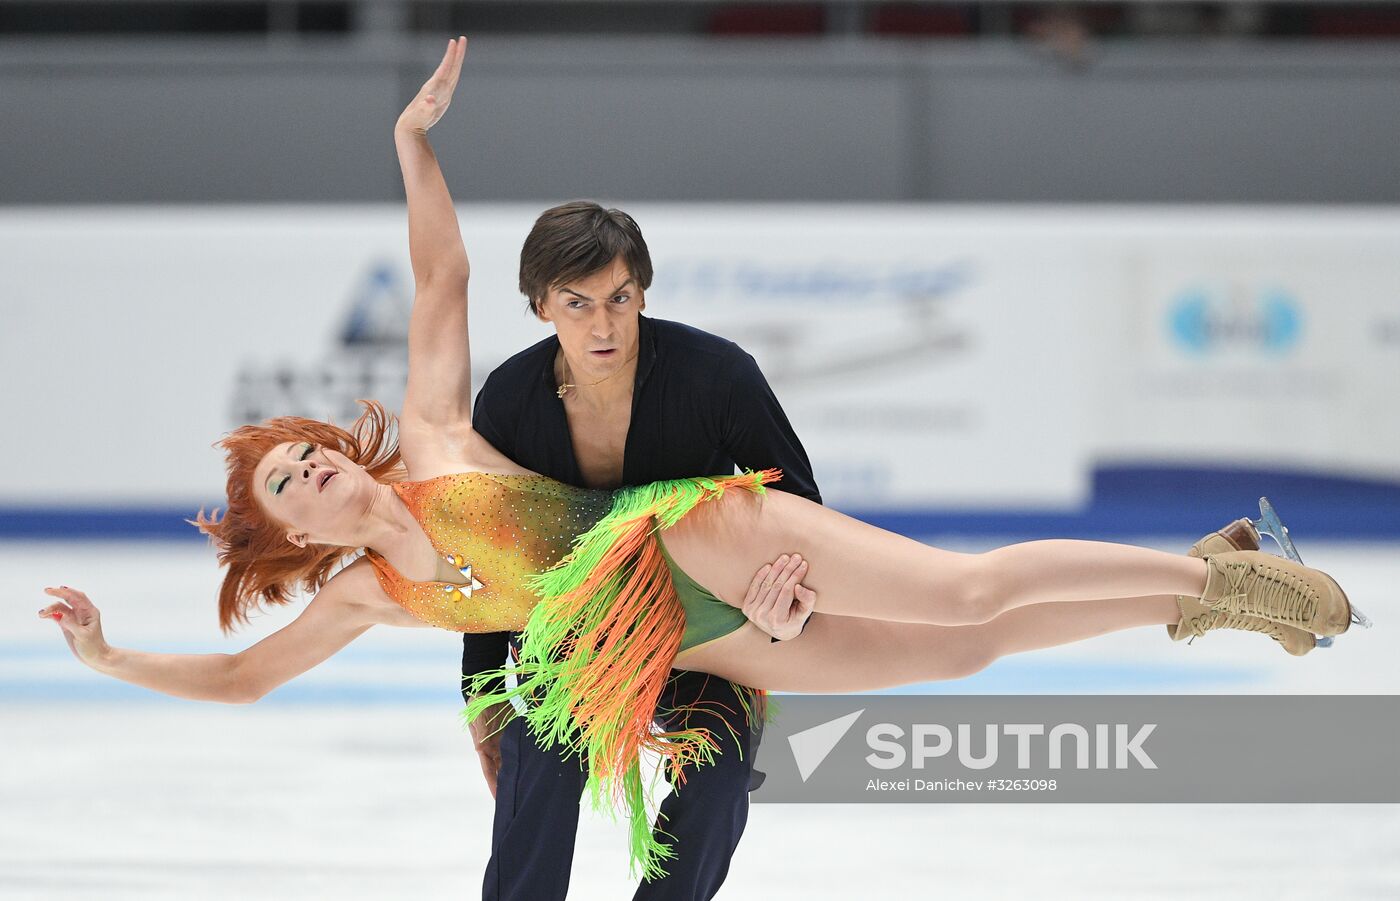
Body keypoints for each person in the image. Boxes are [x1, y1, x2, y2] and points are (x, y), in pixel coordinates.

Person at [38, 37, 1357, 885]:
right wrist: (109, 659)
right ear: (296, 541)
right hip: (684, 644)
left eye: (302, 458)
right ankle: (1213, 572)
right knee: (967, 649)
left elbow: (438, 271)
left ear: (332, 445)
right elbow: (239, 677)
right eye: (283, 493)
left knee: (959, 593)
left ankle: (1226, 587)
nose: (310, 476)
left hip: (683, 542)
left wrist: (412, 146)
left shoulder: (441, 430)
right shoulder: (369, 597)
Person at [462, 197, 820, 901]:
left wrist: (786, 619)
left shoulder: (717, 375)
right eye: (578, 302)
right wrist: (483, 694)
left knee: (717, 776)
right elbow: (487, 556)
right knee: (541, 761)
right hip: (575, 634)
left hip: (703, 630)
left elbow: (802, 512)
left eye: (619, 299)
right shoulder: (507, 401)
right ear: (540, 306)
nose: (603, 325)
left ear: (642, 293)